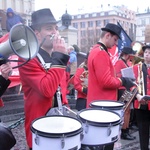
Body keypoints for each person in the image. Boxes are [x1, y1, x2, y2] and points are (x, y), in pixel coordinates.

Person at [18, 8, 69, 150]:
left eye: (56, 28)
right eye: (49, 28)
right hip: (40, 127)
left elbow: (61, 91)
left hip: (59, 123)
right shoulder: (27, 57)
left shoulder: (56, 56)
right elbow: (46, 90)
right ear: (37, 33)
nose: (55, 32)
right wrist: (60, 58)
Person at [87, 23, 136, 150]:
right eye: (115, 40)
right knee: (105, 144)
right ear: (107, 35)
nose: (115, 44)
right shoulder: (101, 53)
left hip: (98, 104)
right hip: (102, 106)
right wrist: (122, 81)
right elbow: (106, 82)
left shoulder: (96, 50)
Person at [114, 47, 136, 140]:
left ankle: (126, 129)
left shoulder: (125, 62)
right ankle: (124, 131)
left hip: (127, 89)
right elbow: (118, 75)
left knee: (128, 111)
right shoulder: (119, 63)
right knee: (125, 110)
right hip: (123, 89)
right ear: (126, 54)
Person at [133, 44, 150, 150]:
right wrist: (137, 95)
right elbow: (131, 83)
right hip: (141, 104)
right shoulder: (136, 67)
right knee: (143, 133)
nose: (148, 55)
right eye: (146, 52)